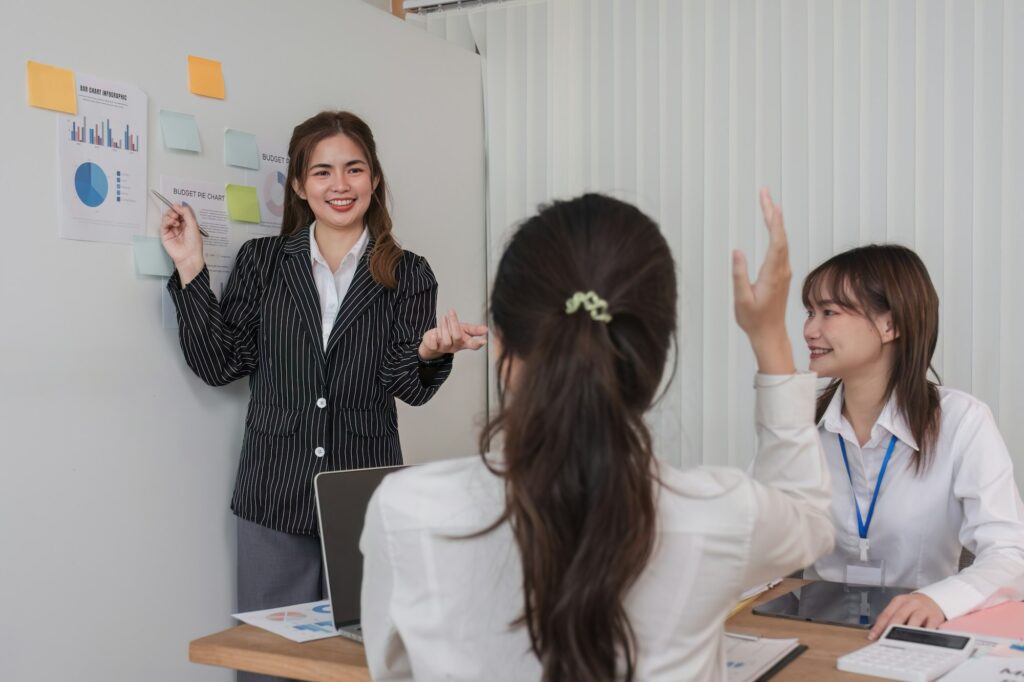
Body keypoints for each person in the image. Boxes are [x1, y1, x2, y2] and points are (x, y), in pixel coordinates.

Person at [359, 190, 835, 681]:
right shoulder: (719, 516)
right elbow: (808, 517)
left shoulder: (407, 511)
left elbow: (395, 673)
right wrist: (770, 335)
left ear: (499, 341)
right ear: (655, 357)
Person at [160, 111, 485, 681]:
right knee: (265, 667)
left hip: (363, 502)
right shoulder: (263, 263)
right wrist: (190, 266)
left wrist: (432, 352)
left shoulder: (407, 274)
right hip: (272, 500)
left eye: (354, 169)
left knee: (363, 665)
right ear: (298, 184)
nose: (340, 185)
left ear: (374, 179)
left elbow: (404, 384)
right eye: (323, 172)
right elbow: (221, 363)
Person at [800, 244, 1024, 639]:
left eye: (829, 312)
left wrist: (940, 599)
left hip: (916, 634)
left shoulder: (962, 422)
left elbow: (1010, 553)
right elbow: (755, 534)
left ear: (890, 325)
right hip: (814, 631)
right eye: (810, 312)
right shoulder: (800, 425)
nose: (809, 330)